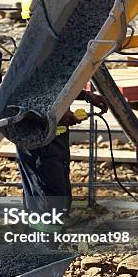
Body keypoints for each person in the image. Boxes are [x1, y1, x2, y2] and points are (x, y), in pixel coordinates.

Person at [17, 88, 109, 237]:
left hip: (54, 137)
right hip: (39, 140)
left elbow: (60, 85)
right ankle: (41, 248)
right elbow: (25, 95)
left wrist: (85, 95)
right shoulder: (32, 66)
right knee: (48, 199)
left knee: (60, 197)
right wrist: (57, 113)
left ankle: (46, 244)